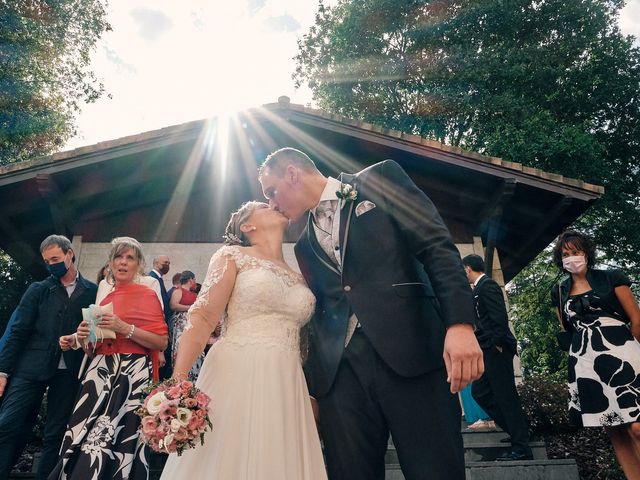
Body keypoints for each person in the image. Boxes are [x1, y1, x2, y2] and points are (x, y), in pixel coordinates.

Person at [259, 148, 483, 480]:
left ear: (292, 174)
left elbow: (436, 246)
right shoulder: (303, 246)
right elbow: (322, 313)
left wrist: (460, 324)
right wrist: (313, 386)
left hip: (413, 354)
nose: (272, 204)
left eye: (271, 191)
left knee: (435, 469)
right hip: (341, 376)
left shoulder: (381, 178)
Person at [160, 202, 327, 480]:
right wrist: (179, 385)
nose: (275, 203)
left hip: (287, 380)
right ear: (247, 226)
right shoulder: (232, 256)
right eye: (264, 204)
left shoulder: (300, 275)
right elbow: (202, 317)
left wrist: (312, 390)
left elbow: (306, 341)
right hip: (237, 371)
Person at [50, 237, 168, 480]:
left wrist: (125, 328)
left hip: (132, 375)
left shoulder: (148, 294)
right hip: (99, 373)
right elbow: (93, 347)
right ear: (110, 263)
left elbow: (161, 342)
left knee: (122, 440)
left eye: (129, 258)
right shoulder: (105, 298)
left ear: (138, 265)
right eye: (118, 257)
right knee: (84, 433)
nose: (123, 263)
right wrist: (83, 337)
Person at [0, 234, 97, 480]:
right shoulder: (38, 290)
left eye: (55, 258)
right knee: (8, 422)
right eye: (47, 261)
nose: (51, 264)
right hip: (30, 367)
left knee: (55, 433)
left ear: (69, 254)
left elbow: (95, 334)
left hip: (69, 371)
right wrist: (3, 371)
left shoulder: (92, 292)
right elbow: (18, 331)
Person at [550, 230, 640, 479]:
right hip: (586, 360)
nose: (572, 258)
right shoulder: (559, 291)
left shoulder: (612, 278)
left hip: (623, 353)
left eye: (576, 252)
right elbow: (565, 329)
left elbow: (637, 319)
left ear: (587, 253)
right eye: (566, 254)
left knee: (636, 427)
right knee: (616, 431)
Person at [462, 254, 532, 460]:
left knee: (505, 396)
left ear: (467, 268)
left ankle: (521, 446)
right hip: (487, 350)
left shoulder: (488, 286)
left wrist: (498, 343)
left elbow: (499, 316)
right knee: (480, 392)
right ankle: (518, 431)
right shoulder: (477, 289)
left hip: (496, 349)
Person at [169, 270, 203, 380]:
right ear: (190, 280)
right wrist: (190, 308)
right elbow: (174, 305)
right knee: (181, 347)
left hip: (193, 324)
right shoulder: (179, 291)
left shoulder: (195, 294)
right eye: (194, 280)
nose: (195, 282)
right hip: (181, 324)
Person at [149, 255, 173, 379]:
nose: (167, 265)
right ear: (156, 263)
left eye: (169, 263)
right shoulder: (152, 279)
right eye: (165, 262)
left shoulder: (159, 279)